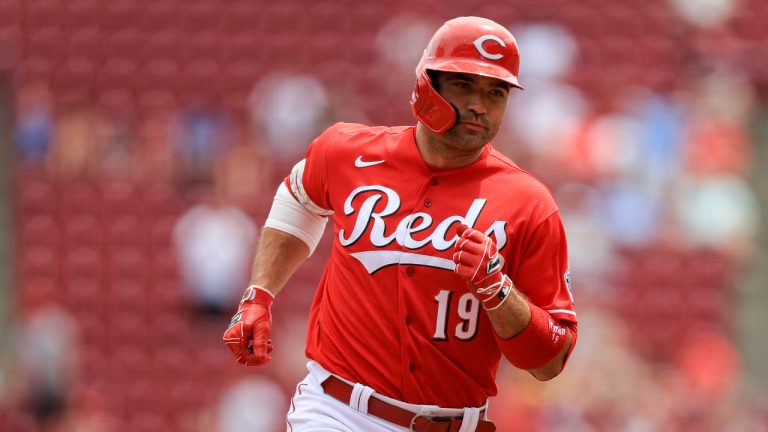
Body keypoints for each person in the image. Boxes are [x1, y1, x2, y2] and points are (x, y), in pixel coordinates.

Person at [223, 16, 578, 432]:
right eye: (464, 85)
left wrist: (499, 292)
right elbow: (298, 197)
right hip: (338, 411)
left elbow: (550, 361)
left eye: (496, 92)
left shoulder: (529, 203)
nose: (481, 105)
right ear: (427, 84)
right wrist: (259, 295)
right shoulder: (347, 153)